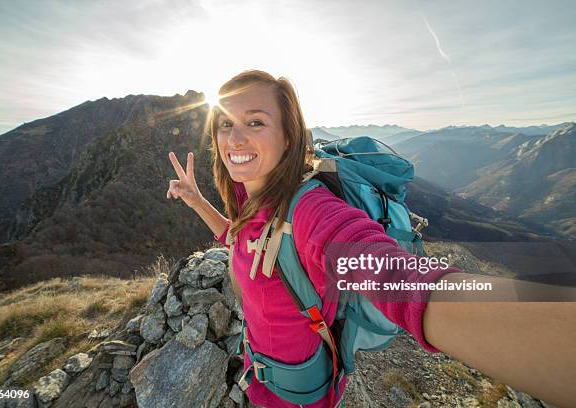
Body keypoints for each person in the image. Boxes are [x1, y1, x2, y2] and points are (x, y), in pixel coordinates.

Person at [166, 69, 576, 408]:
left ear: (288, 136)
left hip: (297, 397)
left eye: (255, 122)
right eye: (225, 124)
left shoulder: (309, 213)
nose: (234, 139)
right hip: (262, 375)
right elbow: (239, 240)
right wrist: (197, 201)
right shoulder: (250, 193)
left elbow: (396, 277)